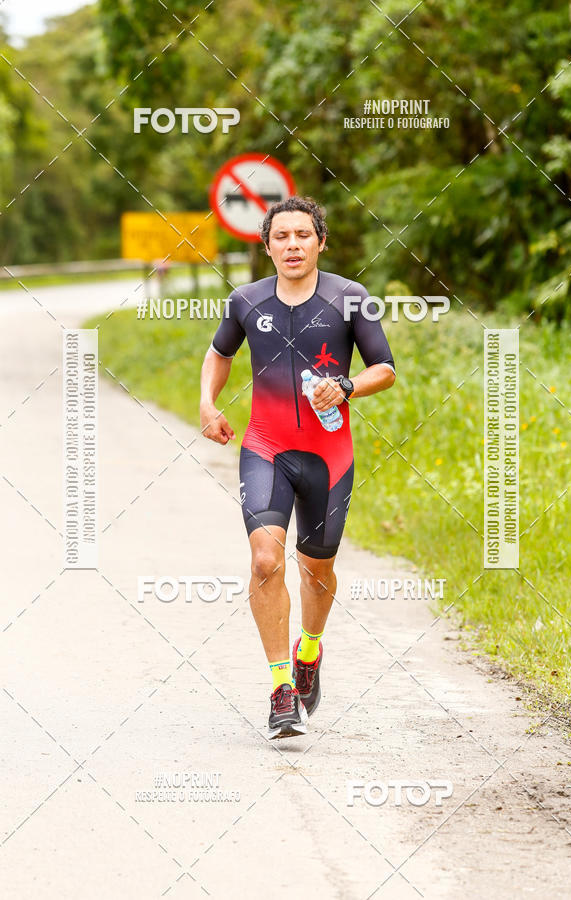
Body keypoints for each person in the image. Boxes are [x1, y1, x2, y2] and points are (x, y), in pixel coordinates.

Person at [200, 196, 395, 739]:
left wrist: (347, 385)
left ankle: (309, 650)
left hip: (330, 458)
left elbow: (385, 367)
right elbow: (219, 354)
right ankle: (281, 690)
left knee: (317, 569)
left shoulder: (351, 299)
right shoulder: (245, 300)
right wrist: (208, 402)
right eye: (281, 236)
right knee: (266, 561)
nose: (292, 245)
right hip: (265, 447)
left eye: (302, 235)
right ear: (267, 246)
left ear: (320, 242)